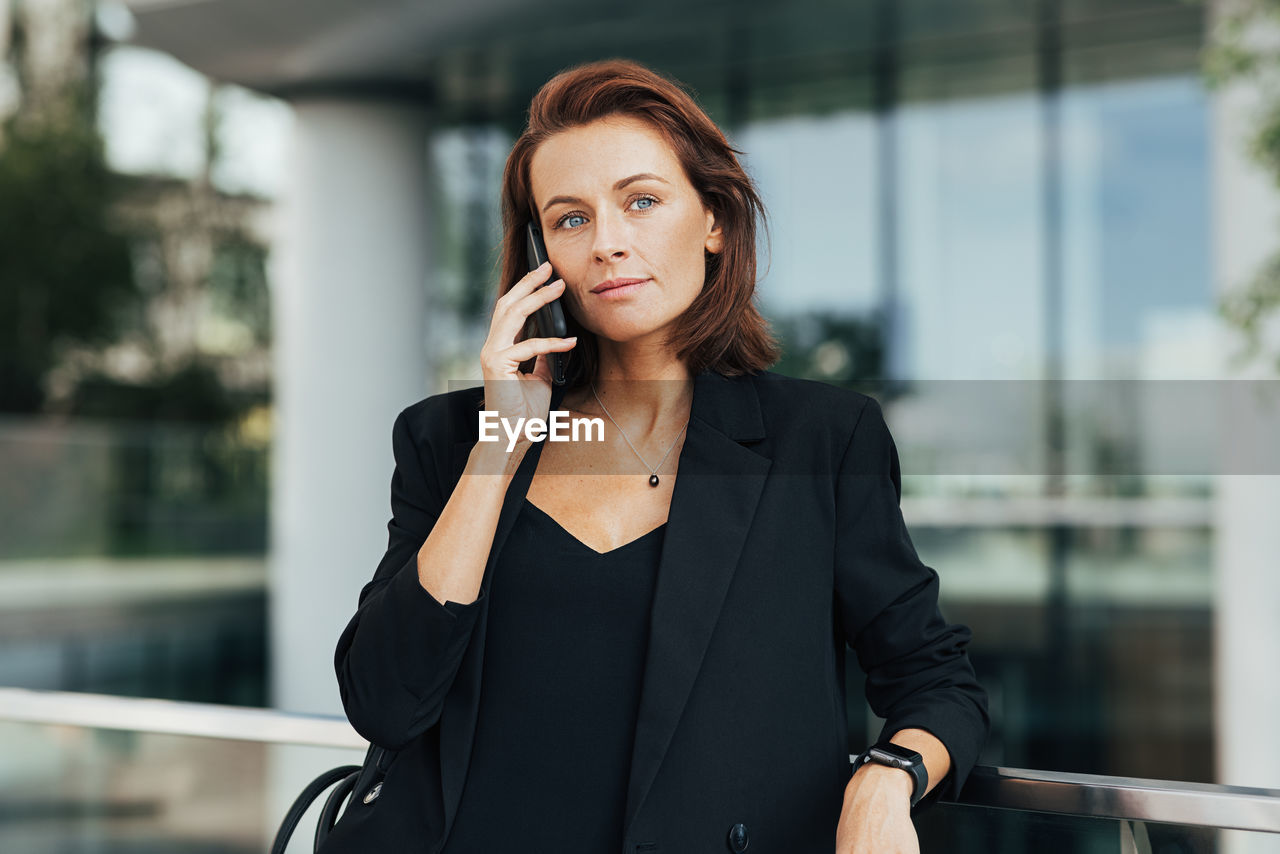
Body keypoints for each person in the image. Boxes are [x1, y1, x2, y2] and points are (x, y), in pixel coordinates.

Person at [319, 58, 988, 854]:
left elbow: (936, 680)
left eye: (641, 201)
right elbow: (385, 701)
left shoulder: (823, 439)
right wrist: (499, 449)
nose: (608, 243)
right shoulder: (450, 439)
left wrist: (885, 778)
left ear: (712, 218)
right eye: (570, 219)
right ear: (543, 258)